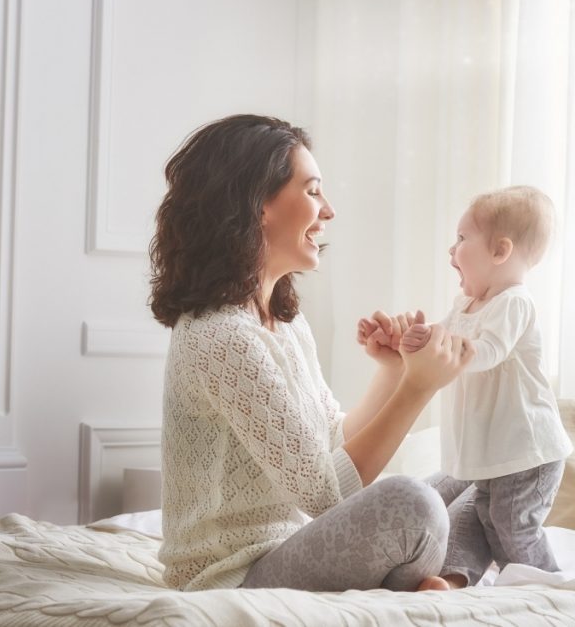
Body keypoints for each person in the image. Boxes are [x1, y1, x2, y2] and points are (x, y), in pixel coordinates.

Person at [149, 114, 473, 592]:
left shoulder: (284, 323)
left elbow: (328, 444)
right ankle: (420, 582)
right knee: (412, 503)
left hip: (289, 546)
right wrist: (418, 387)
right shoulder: (221, 336)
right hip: (232, 575)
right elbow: (327, 493)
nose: (329, 210)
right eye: (313, 190)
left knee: (466, 479)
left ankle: (419, 582)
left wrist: (391, 372)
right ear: (258, 203)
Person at [361, 185, 573, 588]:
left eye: (461, 239)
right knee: (481, 520)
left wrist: (444, 349)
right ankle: (458, 579)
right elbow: (440, 341)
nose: (451, 250)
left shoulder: (515, 302)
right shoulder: (464, 306)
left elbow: (489, 351)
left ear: (499, 251)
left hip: (528, 453)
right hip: (495, 455)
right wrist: (409, 340)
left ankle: (551, 588)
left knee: (512, 528)